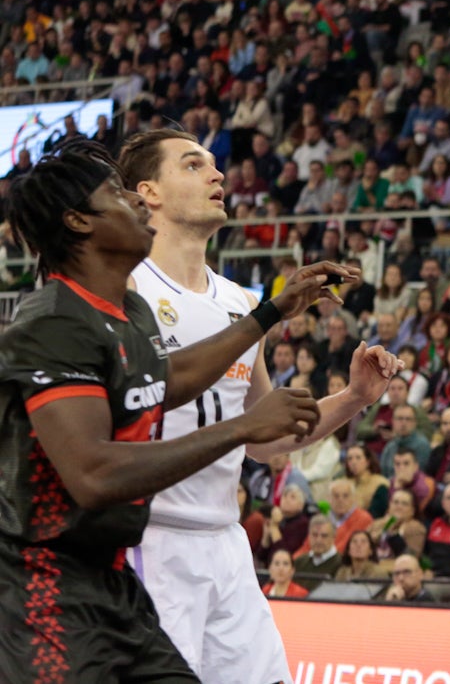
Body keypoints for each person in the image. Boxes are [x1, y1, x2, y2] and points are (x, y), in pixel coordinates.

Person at [0, 138, 331, 683]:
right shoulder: (53, 320)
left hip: (114, 577)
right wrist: (242, 427)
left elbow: (168, 380)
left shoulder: (124, 309)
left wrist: (271, 311)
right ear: (79, 222)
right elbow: (93, 474)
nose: (133, 201)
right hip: (44, 582)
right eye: (115, 195)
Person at [118, 128, 400, 684]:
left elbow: (263, 437)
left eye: (215, 165)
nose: (218, 175)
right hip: (150, 537)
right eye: (194, 166)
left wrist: (353, 398)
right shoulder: (126, 287)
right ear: (148, 192)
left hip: (225, 539)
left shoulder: (243, 303)